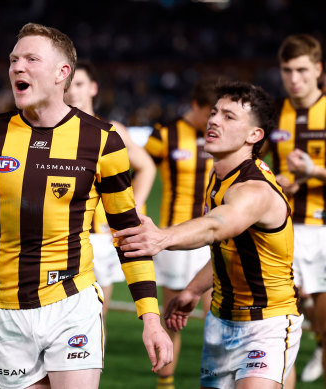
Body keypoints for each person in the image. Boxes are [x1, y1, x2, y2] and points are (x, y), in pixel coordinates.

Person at [0, 23, 172, 389]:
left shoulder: (102, 140)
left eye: (31, 59)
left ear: (63, 73)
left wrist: (151, 317)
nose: (17, 67)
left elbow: (129, 234)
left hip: (73, 303)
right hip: (8, 311)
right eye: (14, 59)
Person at [115, 81, 303, 389]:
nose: (214, 120)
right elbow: (228, 249)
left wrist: (161, 237)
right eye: (215, 112)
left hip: (266, 323)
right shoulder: (221, 177)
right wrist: (191, 291)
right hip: (220, 321)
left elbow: (217, 225)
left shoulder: (254, 190)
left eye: (229, 117)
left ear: (254, 136)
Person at [64, 59, 156, 320]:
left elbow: (147, 167)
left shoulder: (112, 130)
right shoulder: (51, 132)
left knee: (95, 315)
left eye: (80, 84)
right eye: (69, 85)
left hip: (101, 236)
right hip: (63, 234)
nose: (73, 91)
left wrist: (133, 207)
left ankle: (94, 362)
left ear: (93, 88)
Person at [143, 76, 219, 389]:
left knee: (217, 316)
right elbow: (138, 171)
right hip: (174, 240)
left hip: (213, 236)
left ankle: (216, 380)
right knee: (173, 316)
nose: (214, 120)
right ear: (195, 106)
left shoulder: (223, 136)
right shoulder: (165, 135)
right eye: (210, 112)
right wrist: (139, 210)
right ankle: (166, 382)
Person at [265, 33, 326, 385]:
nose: (294, 79)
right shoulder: (274, 112)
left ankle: (321, 343)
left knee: (322, 310)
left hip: (323, 226)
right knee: (285, 316)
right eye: (287, 70)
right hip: (286, 228)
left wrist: (312, 172)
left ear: (318, 69)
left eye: (302, 70)